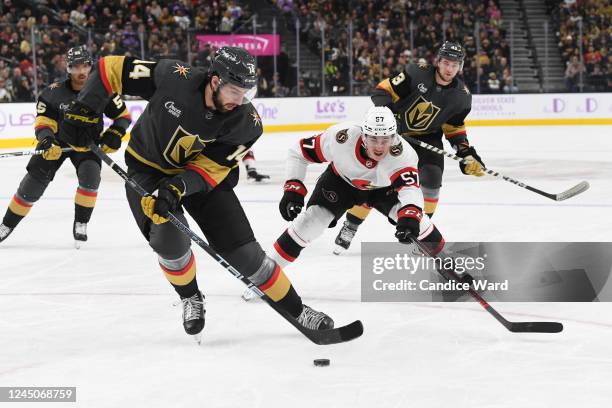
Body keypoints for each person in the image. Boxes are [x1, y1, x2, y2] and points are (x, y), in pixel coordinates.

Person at [59, 46, 334, 342]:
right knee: (169, 240)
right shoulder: (174, 77)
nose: (240, 101)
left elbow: (210, 171)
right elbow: (109, 68)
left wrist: (178, 187)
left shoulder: (247, 123)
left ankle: (296, 309)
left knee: (246, 256)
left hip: (199, 180)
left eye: (246, 93)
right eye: (234, 91)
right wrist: (86, 108)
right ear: (214, 81)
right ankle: (191, 297)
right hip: (147, 170)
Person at [242, 106, 445, 301]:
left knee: (421, 222)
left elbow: (410, 190)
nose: (380, 146)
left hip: (384, 189)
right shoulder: (341, 137)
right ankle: (263, 278)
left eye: (386, 139)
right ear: (364, 135)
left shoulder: (404, 154)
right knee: (310, 222)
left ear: (395, 137)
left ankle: (452, 268)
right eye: (374, 138)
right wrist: (293, 187)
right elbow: (298, 152)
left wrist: (409, 218)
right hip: (341, 182)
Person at [333, 41, 485, 254]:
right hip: (395, 135)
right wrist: (388, 117)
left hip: (428, 139)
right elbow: (382, 90)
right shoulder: (417, 73)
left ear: (460, 66)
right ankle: (351, 225)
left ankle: (423, 233)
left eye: (454, 64)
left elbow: (454, 127)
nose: (449, 68)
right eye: (446, 62)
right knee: (375, 182)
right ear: (438, 62)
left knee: (432, 178)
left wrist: (465, 151)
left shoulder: (462, 96)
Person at [0, 46, 130, 248]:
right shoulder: (53, 93)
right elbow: (44, 122)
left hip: (88, 144)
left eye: (85, 66)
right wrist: (47, 141)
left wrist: (114, 134)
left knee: (91, 178)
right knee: (32, 185)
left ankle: (81, 222)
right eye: (75, 67)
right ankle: (6, 224)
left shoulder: (105, 90)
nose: (81, 72)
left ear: (91, 65)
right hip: (58, 144)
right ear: (68, 69)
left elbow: (123, 117)